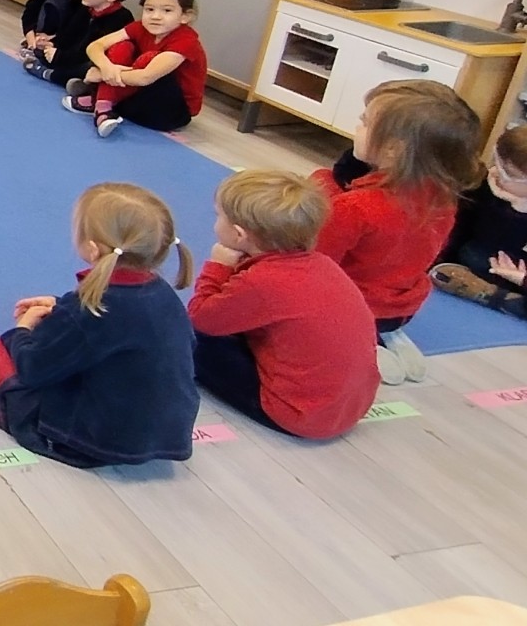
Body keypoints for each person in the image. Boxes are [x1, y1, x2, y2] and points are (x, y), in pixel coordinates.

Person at [0, 183, 198, 468]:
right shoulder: (164, 295)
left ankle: (7, 405)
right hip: (170, 434)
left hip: (91, 442)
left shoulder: (89, 310)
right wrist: (59, 305)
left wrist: (21, 330)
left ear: (92, 249)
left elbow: (33, 367)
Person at [314, 80, 482, 384]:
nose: (357, 126)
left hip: (355, 307)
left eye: (365, 122)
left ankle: (363, 344)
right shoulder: (442, 199)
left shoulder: (356, 206)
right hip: (402, 307)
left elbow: (316, 263)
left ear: (393, 149)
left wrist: (320, 191)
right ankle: (387, 335)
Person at [189, 171, 379, 438]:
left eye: (218, 216)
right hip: (352, 406)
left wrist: (218, 266)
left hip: (299, 414)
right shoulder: (323, 264)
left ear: (239, 234)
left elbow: (200, 318)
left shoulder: (261, 281)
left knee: (191, 337)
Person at [65, 0, 207, 138]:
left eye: (167, 11)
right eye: (150, 9)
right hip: (139, 94)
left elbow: (145, 77)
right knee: (122, 47)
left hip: (170, 111)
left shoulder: (186, 41)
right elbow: (95, 46)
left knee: (149, 58)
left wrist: (101, 75)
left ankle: (98, 98)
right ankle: (103, 103)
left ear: (185, 16)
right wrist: (106, 67)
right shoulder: (141, 27)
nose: (156, 16)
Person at [431, 124, 527, 318]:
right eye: (497, 162)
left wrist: (519, 211)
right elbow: (460, 228)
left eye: (509, 174)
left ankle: (502, 298)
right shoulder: (486, 184)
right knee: (472, 254)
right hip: (491, 260)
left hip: (517, 274)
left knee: (477, 257)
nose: (497, 174)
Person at [35, 0, 141, 87]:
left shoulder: (120, 19)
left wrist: (59, 56)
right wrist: (52, 43)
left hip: (90, 61)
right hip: (71, 57)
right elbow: (69, 34)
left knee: (89, 69)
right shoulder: (86, 7)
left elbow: (88, 52)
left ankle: (50, 75)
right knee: (43, 52)